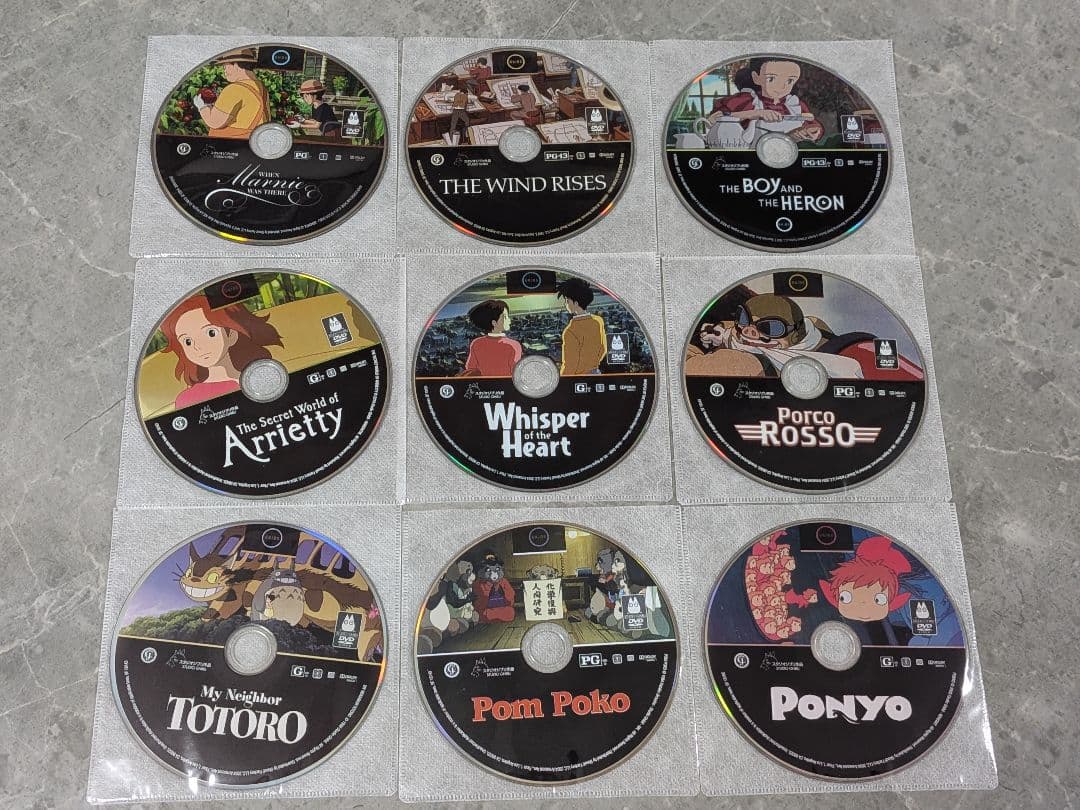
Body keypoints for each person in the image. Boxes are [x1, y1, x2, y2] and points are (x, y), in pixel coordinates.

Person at [159, 294, 283, 409]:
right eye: (187, 341)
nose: (198, 347)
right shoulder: (189, 398)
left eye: (211, 333)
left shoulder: (265, 374)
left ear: (231, 334)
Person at [709, 57, 824, 142]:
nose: (782, 87)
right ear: (756, 78)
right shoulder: (746, 99)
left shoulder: (795, 104)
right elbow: (714, 119)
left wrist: (812, 132)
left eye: (790, 81)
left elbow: (814, 125)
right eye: (771, 79)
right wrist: (756, 113)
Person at [193, 48, 270, 139]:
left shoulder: (234, 89)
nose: (225, 72)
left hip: (230, 142)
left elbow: (214, 122)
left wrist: (202, 107)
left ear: (236, 65)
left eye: (225, 67)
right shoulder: (262, 88)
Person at [556, 278, 606, 375]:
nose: (565, 304)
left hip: (579, 377)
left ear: (576, 303)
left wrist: (562, 380)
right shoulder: (598, 321)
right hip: (596, 373)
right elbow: (603, 349)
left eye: (567, 301)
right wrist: (592, 365)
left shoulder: (571, 331)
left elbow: (570, 365)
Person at [462, 300, 522, 377]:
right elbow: (516, 372)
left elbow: (470, 367)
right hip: (506, 383)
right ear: (494, 323)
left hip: (483, 383)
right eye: (505, 317)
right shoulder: (514, 345)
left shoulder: (476, 343)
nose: (509, 320)